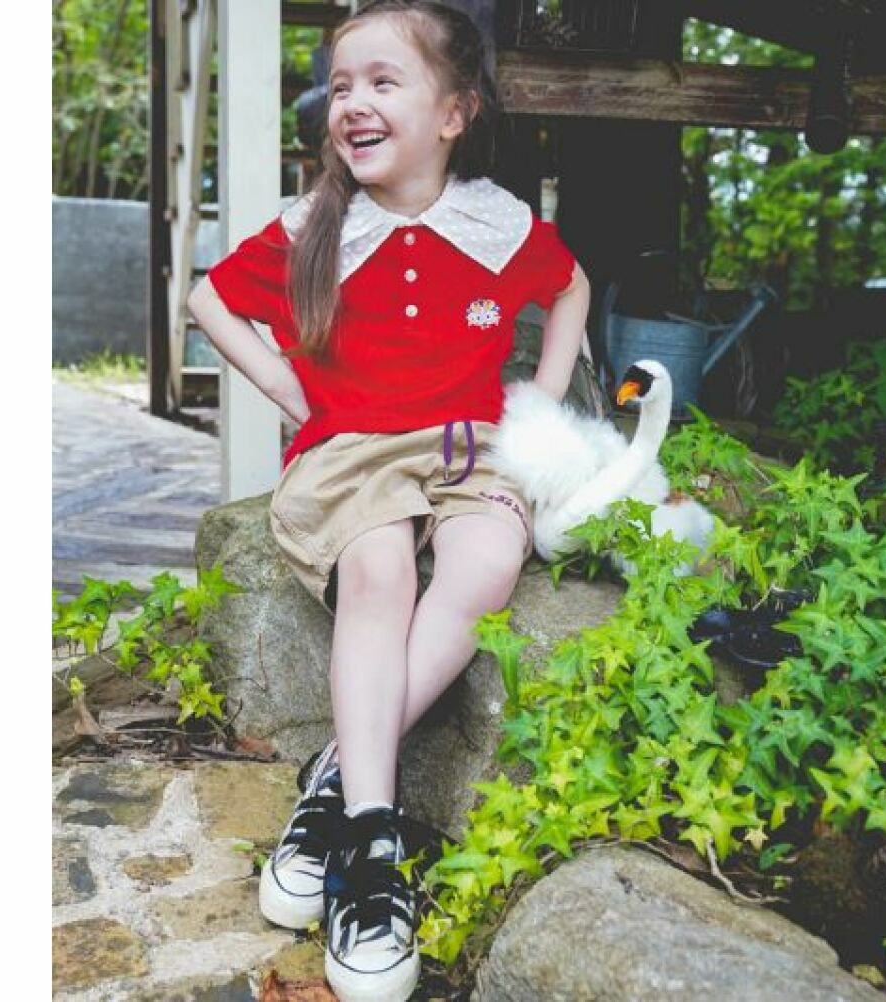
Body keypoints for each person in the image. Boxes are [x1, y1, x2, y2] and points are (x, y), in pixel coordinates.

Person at [188, 2, 589, 999]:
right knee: (378, 576)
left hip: (468, 448)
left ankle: (333, 780)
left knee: (484, 564)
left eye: (382, 82)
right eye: (342, 86)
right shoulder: (317, 227)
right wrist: (290, 390)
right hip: (354, 453)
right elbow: (210, 300)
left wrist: (539, 406)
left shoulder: (496, 223)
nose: (352, 103)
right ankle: (373, 842)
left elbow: (571, 288)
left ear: (454, 113)